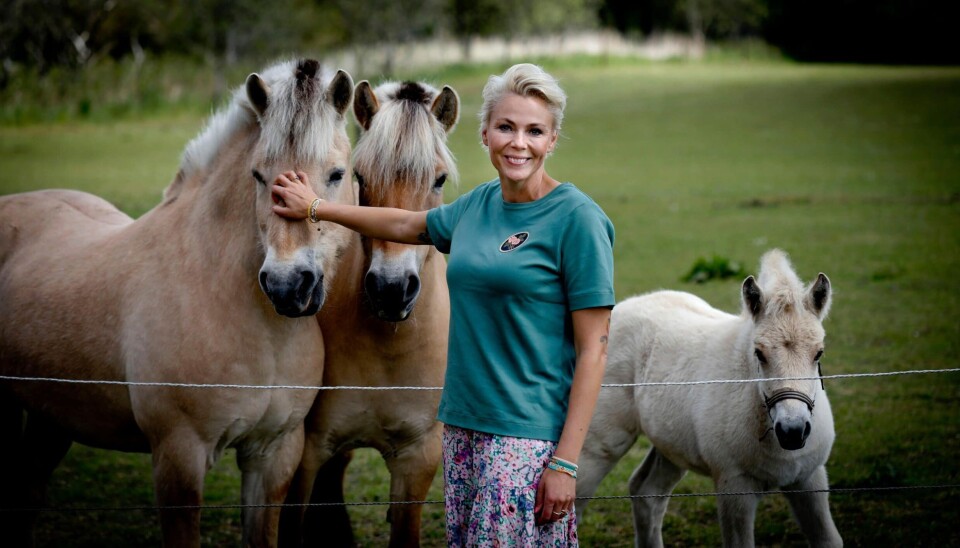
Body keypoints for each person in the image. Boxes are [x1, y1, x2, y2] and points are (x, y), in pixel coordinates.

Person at [271, 63, 614, 546]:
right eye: (506, 127)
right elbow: (404, 225)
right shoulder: (475, 208)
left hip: (527, 435)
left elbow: (595, 350)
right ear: (484, 134)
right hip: (462, 430)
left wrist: (564, 461)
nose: (519, 143)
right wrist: (315, 207)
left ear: (553, 139)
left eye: (535, 131)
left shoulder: (578, 220)